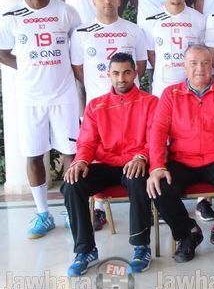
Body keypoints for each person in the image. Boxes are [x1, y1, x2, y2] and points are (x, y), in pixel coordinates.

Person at [146, 44, 214, 262]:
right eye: (193, 63)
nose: (200, 68)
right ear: (184, 67)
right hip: (182, 159)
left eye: (205, 63)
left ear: (212, 66)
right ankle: (188, 233)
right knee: (159, 187)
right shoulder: (170, 94)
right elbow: (158, 131)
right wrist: (157, 166)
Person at [0, 0, 82, 238]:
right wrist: (26, 67)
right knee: (33, 154)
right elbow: (2, 51)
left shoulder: (66, 12)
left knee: (71, 153)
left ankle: (71, 210)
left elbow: (78, 48)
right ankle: (42, 213)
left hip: (64, 94)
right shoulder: (12, 15)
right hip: (30, 97)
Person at [61, 53, 157, 275]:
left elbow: (155, 140)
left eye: (126, 73)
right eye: (116, 73)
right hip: (105, 164)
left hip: (135, 163)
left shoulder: (150, 102)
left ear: (135, 73)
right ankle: (85, 251)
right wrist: (80, 161)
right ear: (108, 75)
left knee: (138, 179)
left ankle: (141, 247)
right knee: (72, 184)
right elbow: (87, 142)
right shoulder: (96, 105)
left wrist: (141, 156)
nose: (121, 78)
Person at [71, 0, 147, 104]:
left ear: (119, 1)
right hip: (97, 100)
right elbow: (77, 68)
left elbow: (141, 64)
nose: (107, 1)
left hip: (129, 100)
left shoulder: (134, 30)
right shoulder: (80, 32)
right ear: (94, 2)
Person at [141, 0, 206, 98]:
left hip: (192, 88)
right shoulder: (151, 20)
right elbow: (151, 54)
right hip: (162, 88)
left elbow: (203, 54)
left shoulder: (199, 19)